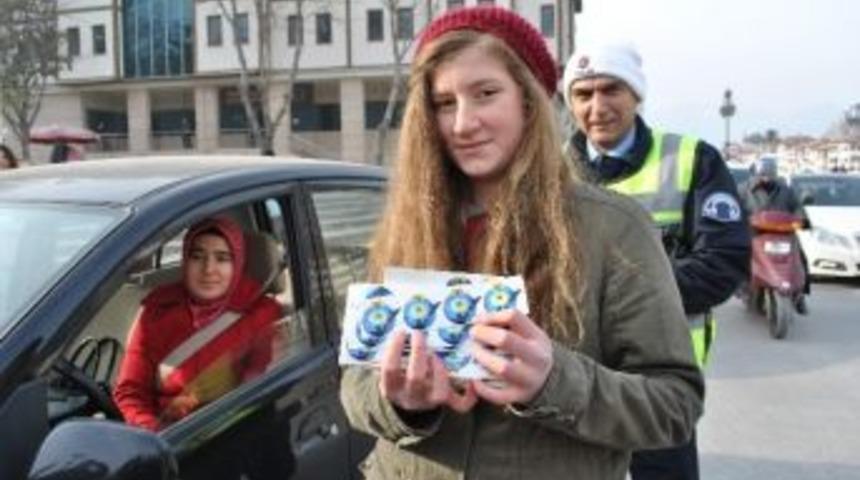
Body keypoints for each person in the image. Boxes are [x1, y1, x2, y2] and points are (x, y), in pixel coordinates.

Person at [340, 7, 704, 479]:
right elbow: (353, 383)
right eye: (444, 103)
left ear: (529, 101)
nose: (462, 123)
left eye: (485, 94)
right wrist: (400, 403)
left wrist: (556, 382)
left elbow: (674, 405)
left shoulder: (613, 229)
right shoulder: (404, 225)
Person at [562, 41, 751, 480]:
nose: (598, 106)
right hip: (571, 381)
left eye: (612, 89)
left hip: (658, 383)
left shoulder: (691, 160)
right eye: (583, 94)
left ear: (636, 95)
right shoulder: (548, 170)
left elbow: (723, 262)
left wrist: (620, 302)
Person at [114, 216, 280, 432]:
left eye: (222, 258)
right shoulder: (155, 310)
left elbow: (260, 392)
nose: (209, 269)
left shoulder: (261, 314)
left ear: (238, 264)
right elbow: (131, 391)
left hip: (230, 434)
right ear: (185, 260)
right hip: (163, 437)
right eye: (197, 256)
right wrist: (154, 437)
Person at [742, 156, 811, 311]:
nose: (766, 177)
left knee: (800, 258)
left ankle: (800, 295)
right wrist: (738, 221)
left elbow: (796, 207)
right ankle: (744, 290)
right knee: (741, 257)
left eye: (770, 173)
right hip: (755, 234)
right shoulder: (744, 189)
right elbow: (735, 207)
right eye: (763, 173)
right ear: (756, 173)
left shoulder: (785, 190)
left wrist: (803, 219)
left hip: (783, 234)